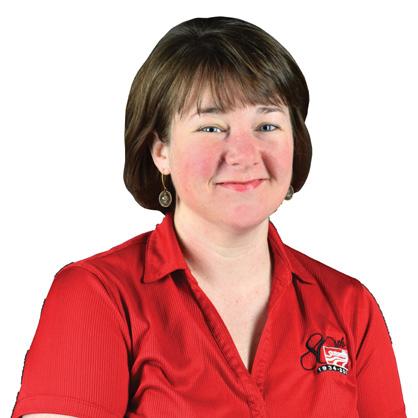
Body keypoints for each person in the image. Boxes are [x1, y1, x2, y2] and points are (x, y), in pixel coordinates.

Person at [12, 16, 407, 418]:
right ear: (160, 150)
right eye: (212, 127)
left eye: (266, 125)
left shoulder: (349, 305)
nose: (244, 154)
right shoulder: (98, 296)